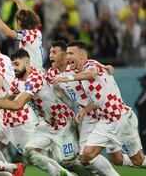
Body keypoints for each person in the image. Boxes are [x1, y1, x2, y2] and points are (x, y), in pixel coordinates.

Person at [0, 49, 77, 176]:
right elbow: (6, 99)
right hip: (47, 123)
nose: (14, 68)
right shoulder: (18, 81)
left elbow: (18, 105)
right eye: (12, 65)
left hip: (63, 123)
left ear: (27, 62)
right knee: (30, 154)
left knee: (72, 161)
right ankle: (62, 174)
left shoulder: (34, 79)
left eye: (17, 64)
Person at [54, 41, 146, 170]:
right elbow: (95, 97)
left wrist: (69, 78)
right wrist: (84, 111)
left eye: (71, 53)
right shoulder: (81, 72)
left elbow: (91, 73)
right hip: (104, 122)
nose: (67, 56)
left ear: (81, 55)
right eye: (67, 53)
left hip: (121, 119)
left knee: (138, 160)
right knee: (88, 157)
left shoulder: (91, 65)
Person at [0, 31, 37, 166]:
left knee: (36, 157)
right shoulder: (3, 59)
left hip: (17, 118)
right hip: (6, 115)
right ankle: (13, 171)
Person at [0, 0, 44, 70]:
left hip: (33, 74)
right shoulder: (35, 32)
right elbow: (27, 14)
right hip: (33, 71)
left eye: (16, 20)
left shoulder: (27, 35)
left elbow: (8, 33)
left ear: (20, 22)